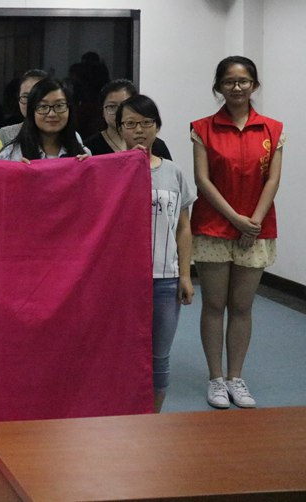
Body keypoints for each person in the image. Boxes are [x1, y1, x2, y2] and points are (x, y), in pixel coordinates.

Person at [191, 56, 284, 410]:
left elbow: (272, 180)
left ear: (254, 85)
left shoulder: (273, 129)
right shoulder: (202, 128)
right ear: (219, 87)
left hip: (256, 230)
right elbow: (203, 180)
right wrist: (235, 219)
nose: (237, 87)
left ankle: (235, 377)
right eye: (229, 81)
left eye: (244, 81)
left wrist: (253, 222)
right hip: (213, 227)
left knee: (242, 307)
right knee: (215, 305)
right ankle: (216, 378)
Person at [116, 94, 195, 413]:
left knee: (159, 357)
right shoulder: (109, 171)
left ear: (157, 127)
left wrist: (185, 275)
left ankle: (152, 420)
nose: (139, 130)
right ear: (120, 129)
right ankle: (121, 418)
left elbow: (184, 228)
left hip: (164, 279)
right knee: (120, 354)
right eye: (131, 123)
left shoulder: (173, 172)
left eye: (146, 123)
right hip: (122, 281)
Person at [0, 78, 90, 162]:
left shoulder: (83, 155)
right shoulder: (10, 156)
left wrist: (86, 168)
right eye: (43, 106)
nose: (52, 114)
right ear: (32, 111)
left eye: (59, 106)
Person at [85, 79, 172, 160]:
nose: (119, 112)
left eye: (125, 105)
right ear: (102, 111)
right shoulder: (89, 148)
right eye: (112, 106)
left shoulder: (157, 145)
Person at [0, 69, 48, 146]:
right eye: (26, 97)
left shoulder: (65, 136)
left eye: (38, 96)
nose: (31, 102)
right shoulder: (5, 135)